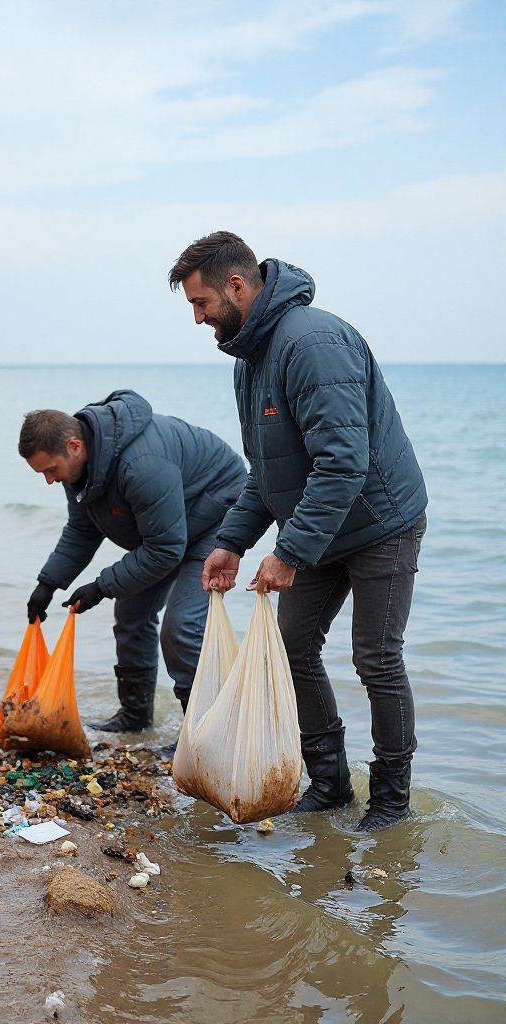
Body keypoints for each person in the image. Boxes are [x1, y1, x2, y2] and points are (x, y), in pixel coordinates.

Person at [169, 231, 427, 831]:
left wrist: (287, 554)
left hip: (382, 523)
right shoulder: (251, 357)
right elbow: (267, 470)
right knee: (293, 644)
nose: (199, 318)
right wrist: (230, 542)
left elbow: (343, 461)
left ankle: (391, 799)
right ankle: (331, 782)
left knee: (376, 658)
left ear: (237, 286)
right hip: (323, 525)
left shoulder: (312, 341)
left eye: (200, 304)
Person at [19, 391, 246, 737]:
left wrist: (102, 586)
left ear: (74, 446)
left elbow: (166, 549)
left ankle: (206, 734)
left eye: (51, 470)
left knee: (182, 627)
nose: (50, 480)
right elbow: (82, 530)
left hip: (216, 512)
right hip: (168, 524)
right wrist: (48, 584)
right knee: (131, 614)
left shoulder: (141, 464)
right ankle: (136, 716)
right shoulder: (80, 470)